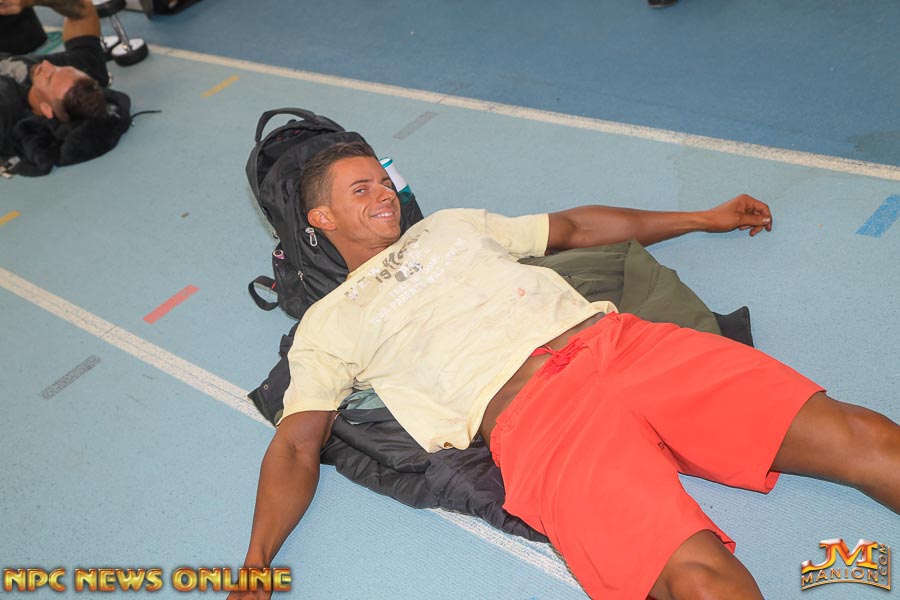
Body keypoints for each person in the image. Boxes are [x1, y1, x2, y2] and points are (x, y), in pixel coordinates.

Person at [230, 141, 899, 600]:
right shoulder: (328, 324)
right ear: (321, 218)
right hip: (542, 425)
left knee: (867, 439)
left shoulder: (451, 227)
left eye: (384, 179)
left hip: (623, 346)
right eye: (362, 189)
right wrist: (257, 564)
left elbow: (575, 228)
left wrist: (703, 217)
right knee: (699, 582)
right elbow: (296, 445)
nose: (384, 194)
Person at [0, 0, 109, 154]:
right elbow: (83, 10)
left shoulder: (6, 112)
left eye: (49, 78)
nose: (46, 64)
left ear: (46, 109)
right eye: (59, 68)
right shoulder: (81, 74)